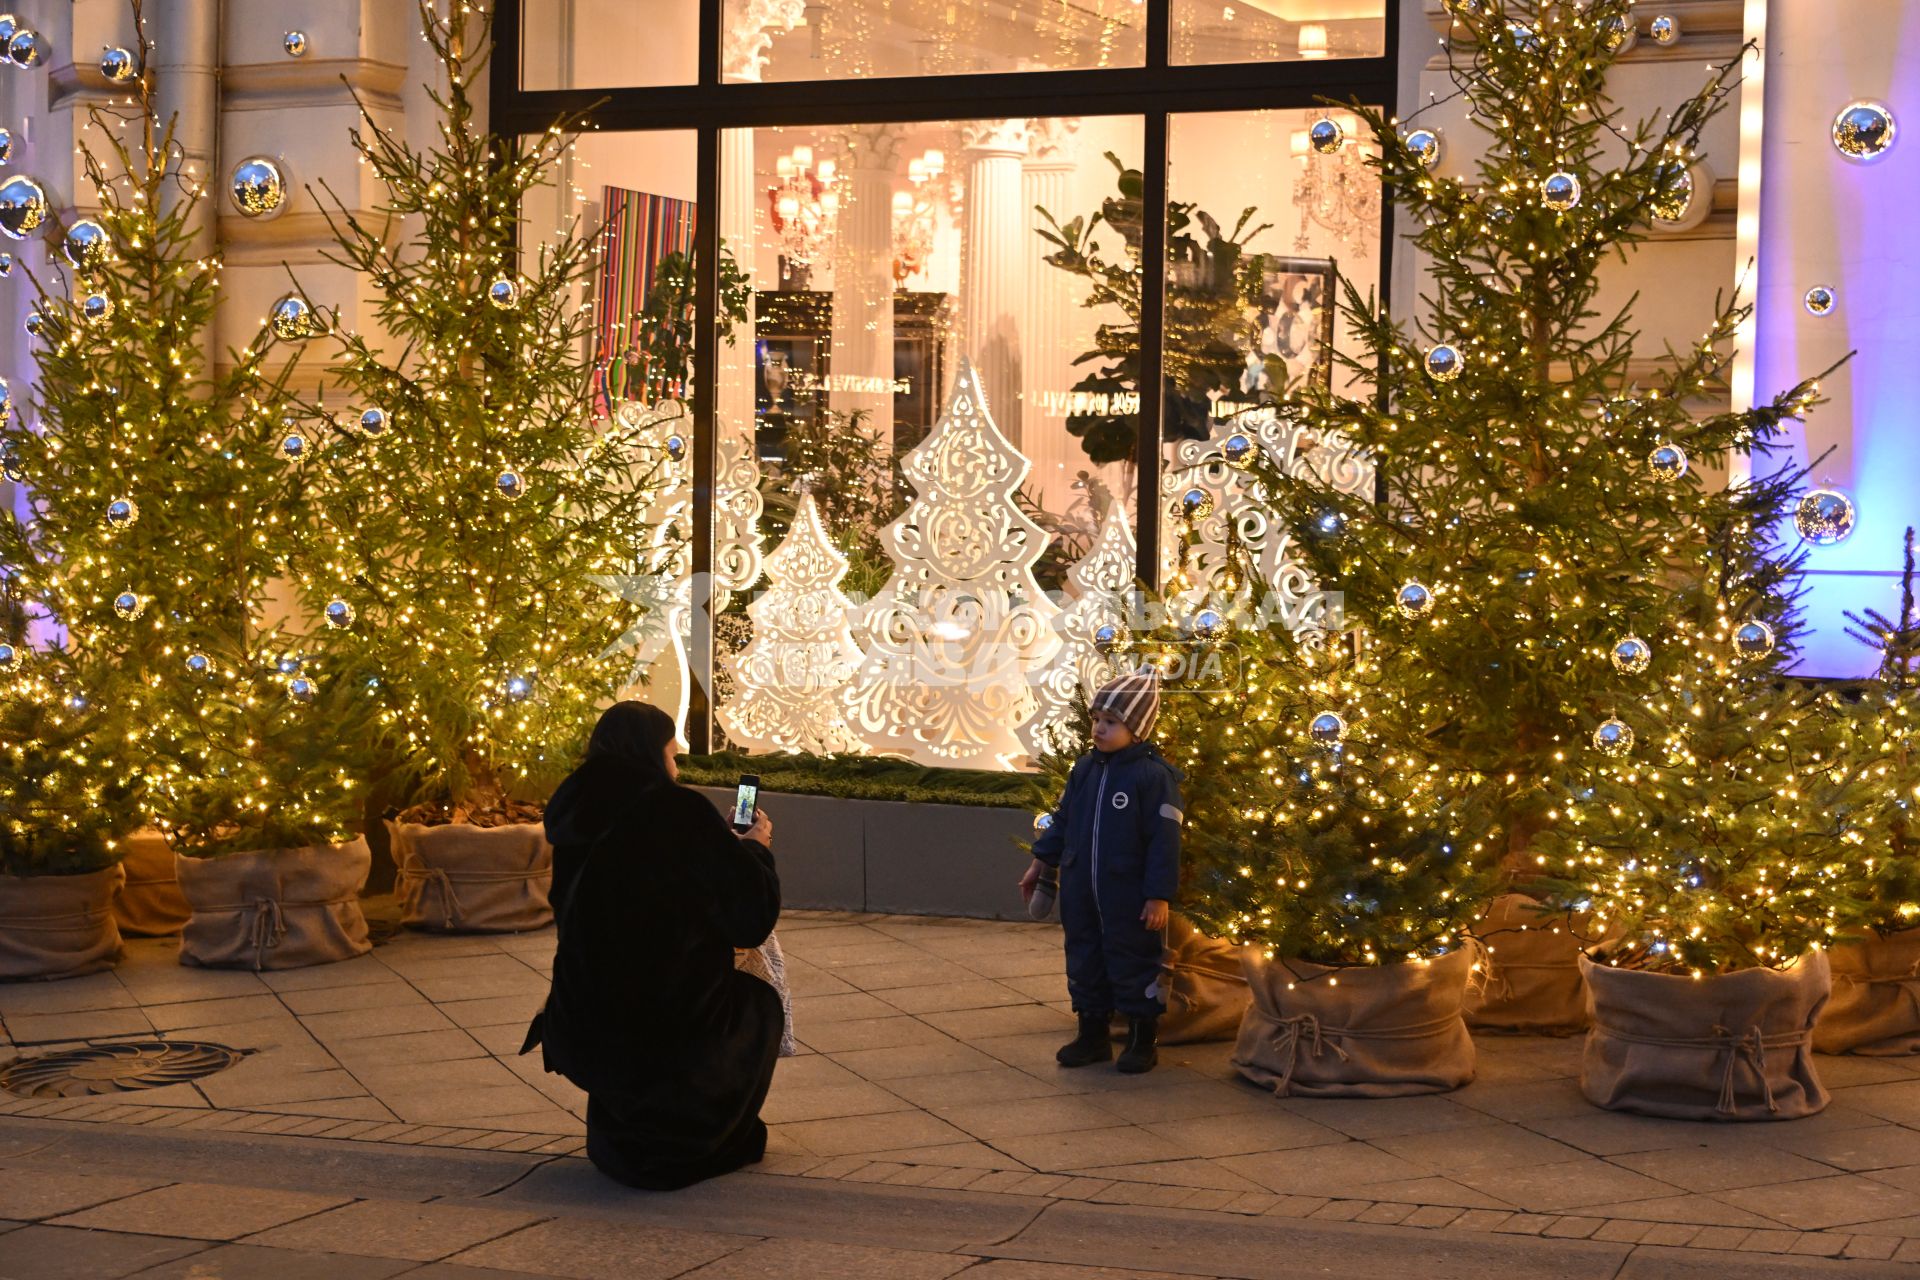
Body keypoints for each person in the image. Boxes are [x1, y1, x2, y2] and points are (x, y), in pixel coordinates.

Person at [520, 701, 781, 1190]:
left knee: (636, 1026)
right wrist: (753, 850)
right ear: (650, 753)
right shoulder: (674, 811)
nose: (676, 768)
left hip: (581, 1016)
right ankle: (702, 1139)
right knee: (757, 1001)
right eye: (672, 755)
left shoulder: (576, 806)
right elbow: (749, 919)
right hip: (666, 1022)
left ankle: (618, 1138)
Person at [1021, 667, 1184, 1074]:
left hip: (1126, 894)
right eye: (1096, 720)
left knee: (1133, 959)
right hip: (1082, 891)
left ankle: (1142, 1039)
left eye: (1111, 722)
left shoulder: (1152, 777)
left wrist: (1158, 894)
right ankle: (1091, 1034)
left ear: (1138, 729)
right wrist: (1042, 860)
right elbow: (1062, 820)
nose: (1099, 729)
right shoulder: (1085, 770)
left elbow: (1164, 841)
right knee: (1084, 957)